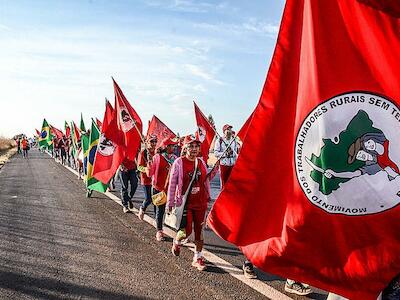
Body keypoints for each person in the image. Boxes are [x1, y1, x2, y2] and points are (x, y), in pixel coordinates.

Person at [167, 135, 217, 271]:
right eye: (191, 146)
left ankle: (198, 258)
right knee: (186, 231)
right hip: (185, 204)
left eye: (196, 146)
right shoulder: (179, 162)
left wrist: (216, 168)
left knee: (200, 232)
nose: (194, 149)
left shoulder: (200, 162)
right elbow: (172, 184)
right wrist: (170, 203)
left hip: (200, 203)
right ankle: (177, 242)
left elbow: (206, 179)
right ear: (185, 147)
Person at [148, 137, 177, 241]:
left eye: (174, 145)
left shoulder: (175, 158)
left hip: (170, 189)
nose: (173, 147)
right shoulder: (157, 157)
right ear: (166, 146)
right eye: (171, 145)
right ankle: (159, 231)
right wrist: (149, 164)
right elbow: (149, 173)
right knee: (160, 211)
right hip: (158, 188)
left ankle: (175, 231)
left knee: (169, 210)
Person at [137, 135, 158, 220]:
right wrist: (146, 169)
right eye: (151, 141)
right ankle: (142, 208)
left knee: (156, 200)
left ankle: (157, 217)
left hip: (156, 180)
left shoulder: (157, 153)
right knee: (149, 198)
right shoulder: (143, 152)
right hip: (146, 179)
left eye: (155, 141)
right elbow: (139, 167)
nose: (153, 144)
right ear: (147, 142)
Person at [213, 124, 240, 188]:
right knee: (224, 184)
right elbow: (216, 153)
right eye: (228, 129)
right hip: (224, 165)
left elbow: (236, 152)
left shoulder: (234, 140)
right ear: (224, 131)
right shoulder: (219, 140)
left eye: (230, 129)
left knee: (232, 184)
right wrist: (225, 154)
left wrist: (233, 154)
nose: (229, 131)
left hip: (232, 165)